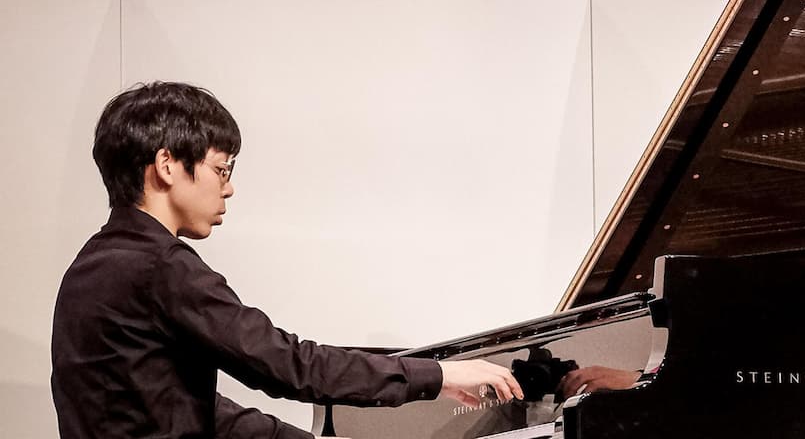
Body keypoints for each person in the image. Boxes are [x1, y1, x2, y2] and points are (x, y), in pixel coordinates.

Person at [51, 82, 523, 439]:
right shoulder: (161, 267)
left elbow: (175, 403)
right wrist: (438, 374)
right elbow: (287, 364)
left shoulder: (91, 266)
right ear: (168, 164)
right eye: (221, 169)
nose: (229, 187)